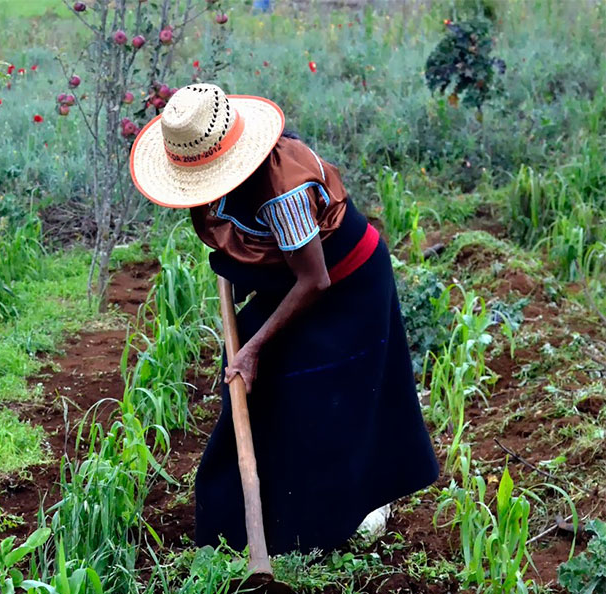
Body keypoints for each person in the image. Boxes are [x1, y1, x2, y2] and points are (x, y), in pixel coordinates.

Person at [128, 83, 439, 556]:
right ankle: (247, 526)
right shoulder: (231, 174)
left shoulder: (283, 193)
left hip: (347, 285)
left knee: (318, 398)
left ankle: (326, 524)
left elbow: (314, 280)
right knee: (257, 387)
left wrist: (253, 348)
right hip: (300, 280)